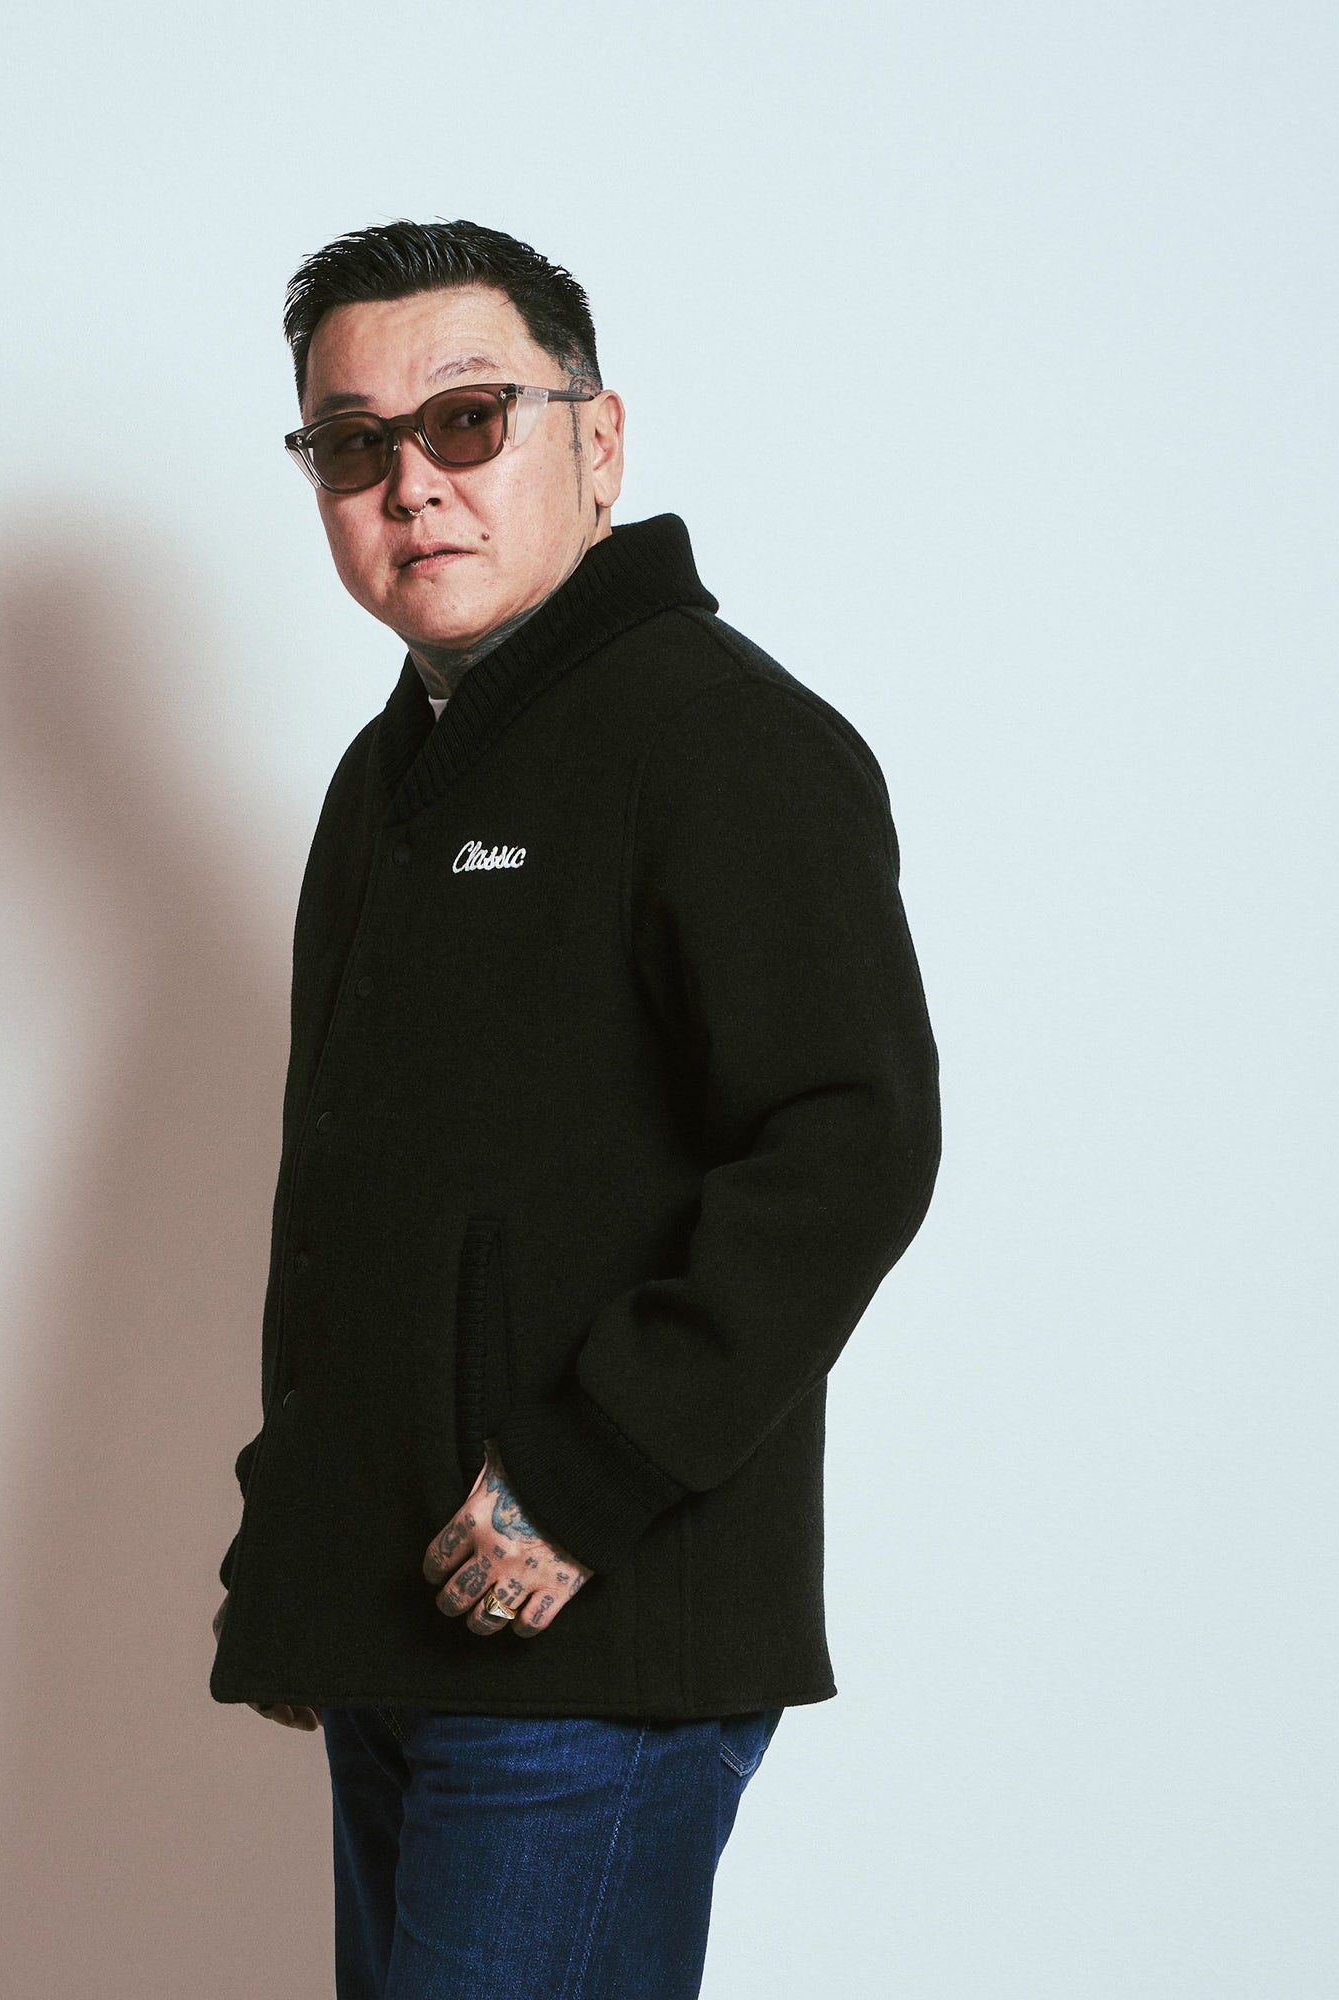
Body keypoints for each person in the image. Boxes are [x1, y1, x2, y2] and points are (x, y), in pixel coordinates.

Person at [209, 218, 942, 1998]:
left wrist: (585, 1481)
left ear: (597, 442)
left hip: (589, 1643)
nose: (413, 483)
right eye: (353, 444)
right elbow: (359, 1198)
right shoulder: (388, 779)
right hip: (405, 1634)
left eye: (468, 420)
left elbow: (851, 1141)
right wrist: (303, 1565)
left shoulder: (720, 739)